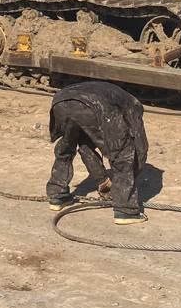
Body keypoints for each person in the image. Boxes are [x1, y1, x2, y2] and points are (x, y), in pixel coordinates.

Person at [46, 80, 149, 225]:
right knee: (123, 154)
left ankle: (57, 195)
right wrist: (131, 175)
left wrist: (103, 181)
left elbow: (85, 146)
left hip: (61, 101)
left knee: (66, 148)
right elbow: (141, 147)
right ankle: (126, 211)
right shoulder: (133, 107)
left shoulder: (115, 96)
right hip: (93, 104)